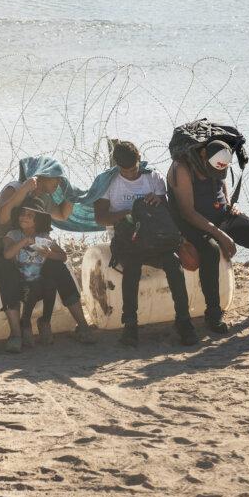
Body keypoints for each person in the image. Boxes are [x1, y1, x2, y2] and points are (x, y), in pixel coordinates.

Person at [168, 138, 249, 334]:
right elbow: (187, 212)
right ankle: (213, 313)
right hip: (194, 223)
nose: (219, 173)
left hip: (221, 215)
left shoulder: (217, 163)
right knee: (211, 250)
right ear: (203, 155)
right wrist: (219, 234)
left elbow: (221, 183)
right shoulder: (181, 168)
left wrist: (229, 204)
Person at [93, 140, 197, 347]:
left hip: (154, 238)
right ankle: (130, 325)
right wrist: (128, 212)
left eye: (134, 169)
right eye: (125, 171)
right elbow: (101, 217)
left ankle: (184, 321)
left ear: (140, 159)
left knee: (174, 266)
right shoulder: (108, 183)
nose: (131, 174)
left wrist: (159, 202)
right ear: (117, 166)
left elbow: (167, 211)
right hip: (126, 240)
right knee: (131, 269)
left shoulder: (153, 177)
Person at [0, 156, 92, 346]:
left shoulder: (43, 198)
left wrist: (71, 195)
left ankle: (82, 324)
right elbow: (1, 217)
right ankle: (16, 334)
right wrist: (22, 191)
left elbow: (62, 215)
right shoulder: (14, 188)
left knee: (58, 268)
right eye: (56, 179)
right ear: (42, 177)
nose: (59, 182)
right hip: (5, 245)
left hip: (33, 246)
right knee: (8, 273)